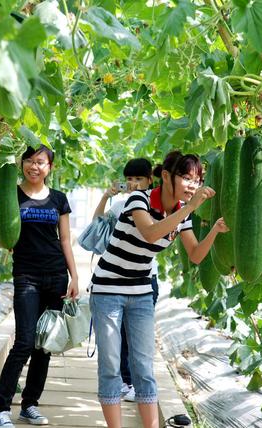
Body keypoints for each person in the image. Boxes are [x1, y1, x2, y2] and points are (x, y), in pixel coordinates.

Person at [89, 151, 229, 428]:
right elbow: (151, 233)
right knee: (111, 365)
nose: (193, 185)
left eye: (197, 180)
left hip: (140, 292)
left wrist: (213, 230)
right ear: (166, 176)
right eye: (186, 178)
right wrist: (188, 208)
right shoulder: (138, 200)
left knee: (143, 367)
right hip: (107, 290)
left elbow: (196, 256)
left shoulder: (182, 215)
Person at [0, 145, 79, 428]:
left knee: (44, 346)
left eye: (40, 161)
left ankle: (30, 404)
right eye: (28, 160)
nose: (33, 166)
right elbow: (3, 230)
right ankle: (0, 409)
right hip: (26, 275)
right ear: (21, 164)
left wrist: (74, 276)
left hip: (56, 275)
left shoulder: (59, 199)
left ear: (49, 167)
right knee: (25, 342)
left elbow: (64, 240)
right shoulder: (11, 194)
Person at [91, 158, 156, 402]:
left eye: (138, 179)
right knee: (114, 341)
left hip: (145, 280)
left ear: (150, 180)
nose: (133, 184)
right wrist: (106, 197)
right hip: (114, 280)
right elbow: (96, 222)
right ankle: (122, 383)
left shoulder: (155, 204)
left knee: (135, 342)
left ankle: (129, 383)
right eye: (129, 179)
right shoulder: (120, 205)